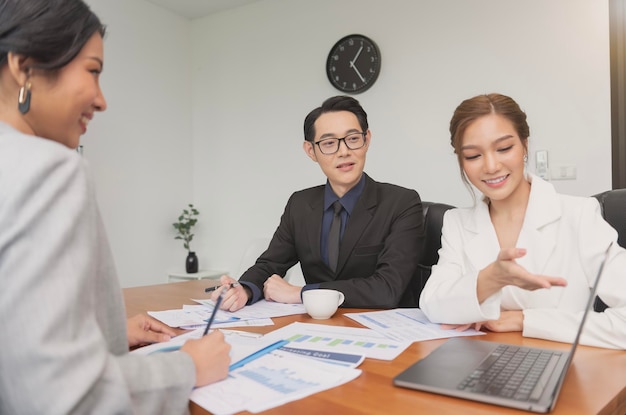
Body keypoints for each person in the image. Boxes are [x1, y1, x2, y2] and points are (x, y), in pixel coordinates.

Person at [0, 1, 230, 414]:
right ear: (23, 67)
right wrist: (188, 367)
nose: (101, 100)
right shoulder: (49, 170)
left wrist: (106, 336)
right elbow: (67, 397)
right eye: (92, 71)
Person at [419, 93, 626, 350]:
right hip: (480, 367)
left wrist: (528, 320)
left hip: (563, 369)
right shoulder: (457, 223)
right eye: (473, 156)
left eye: (504, 148)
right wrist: (490, 279)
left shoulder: (579, 215)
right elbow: (433, 304)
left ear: (525, 145)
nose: (492, 166)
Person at [211, 95, 425, 311]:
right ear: (311, 151)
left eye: (352, 138)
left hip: (385, 331)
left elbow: (387, 288)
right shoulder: (300, 204)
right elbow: (270, 264)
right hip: (319, 327)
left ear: (367, 140)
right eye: (329, 143)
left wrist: (301, 293)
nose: (344, 151)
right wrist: (244, 289)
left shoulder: (401, 203)